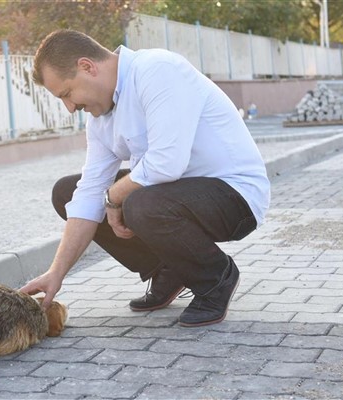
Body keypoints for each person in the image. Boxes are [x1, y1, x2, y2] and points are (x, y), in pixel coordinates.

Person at [20, 29, 270, 327]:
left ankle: (215, 277)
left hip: (235, 196)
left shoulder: (157, 70)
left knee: (137, 202)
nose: (70, 107)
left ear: (87, 66)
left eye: (66, 93)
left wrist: (113, 198)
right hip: (175, 195)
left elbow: (166, 163)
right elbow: (89, 194)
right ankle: (170, 268)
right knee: (68, 192)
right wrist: (55, 275)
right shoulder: (99, 119)